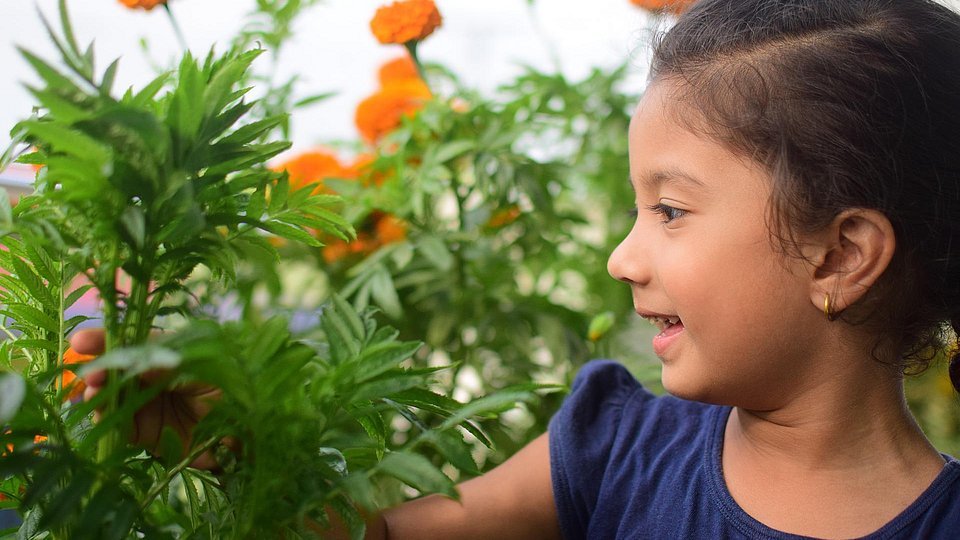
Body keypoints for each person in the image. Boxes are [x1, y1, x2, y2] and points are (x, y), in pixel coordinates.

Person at [74, 0, 960, 537]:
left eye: (671, 211)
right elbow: (376, 535)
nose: (623, 256)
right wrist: (225, 439)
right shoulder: (615, 451)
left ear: (841, 255)